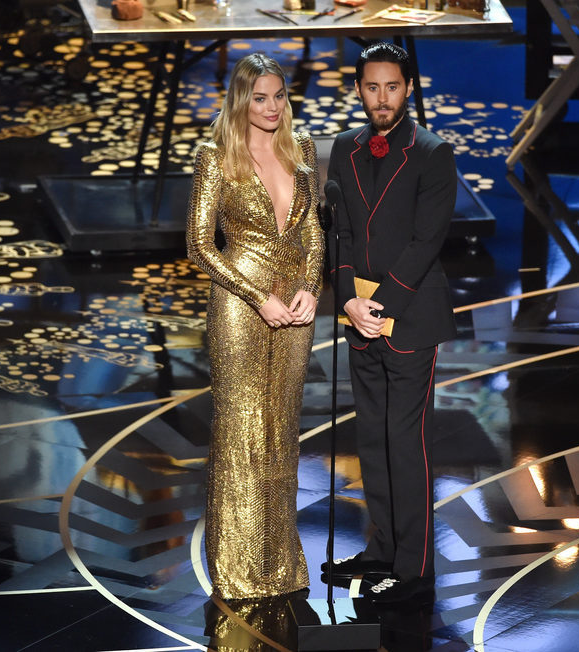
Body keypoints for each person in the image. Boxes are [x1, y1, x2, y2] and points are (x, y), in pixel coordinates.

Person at [186, 53, 324, 600]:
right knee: (243, 432)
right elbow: (199, 244)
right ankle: (238, 571)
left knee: (282, 433)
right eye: (260, 97)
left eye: (279, 95)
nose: (271, 107)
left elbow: (313, 230)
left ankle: (280, 567)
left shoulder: (304, 149)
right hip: (241, 305)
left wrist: (312, 288)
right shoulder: (215, 156)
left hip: (296, 306)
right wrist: (255, 295)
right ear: (241, 100)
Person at [323, 42, 457, 603]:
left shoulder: (432, 152)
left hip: (409, 317)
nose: (382, 98)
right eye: (372, 87)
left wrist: (382, 307)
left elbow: (428, 241)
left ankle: (415, 565)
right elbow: (342, 234)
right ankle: (381, 550)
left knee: (406, 441)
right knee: (372, 440)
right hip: (360, 316)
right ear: (359, 90)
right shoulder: (343, 149)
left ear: (408, 88)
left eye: (392, 87)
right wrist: (350, 300)